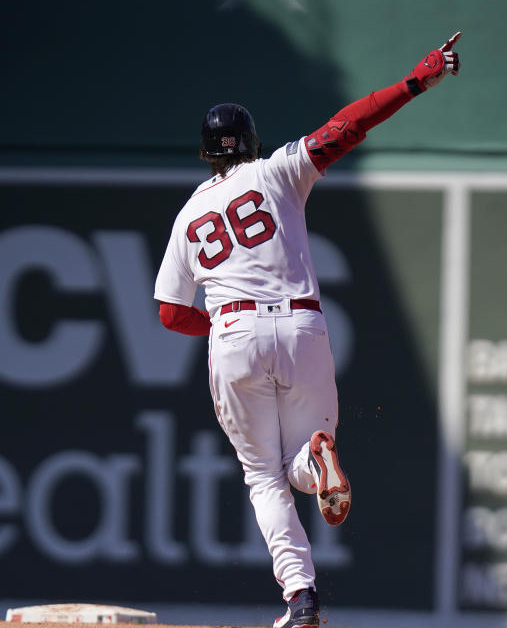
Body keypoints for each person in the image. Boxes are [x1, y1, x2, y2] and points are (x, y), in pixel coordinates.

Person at [154, 31, 461, 628]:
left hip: (234, 335)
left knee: (263, 475)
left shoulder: (190, 212)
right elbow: (347, 126)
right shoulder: (276, 173)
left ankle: (300, 597)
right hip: (302, 326)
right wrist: (415, 79)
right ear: (250, 143)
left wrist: (218, 326)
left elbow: (168, 311)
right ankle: (318, 462)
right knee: (295, 460)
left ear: (206, 155)